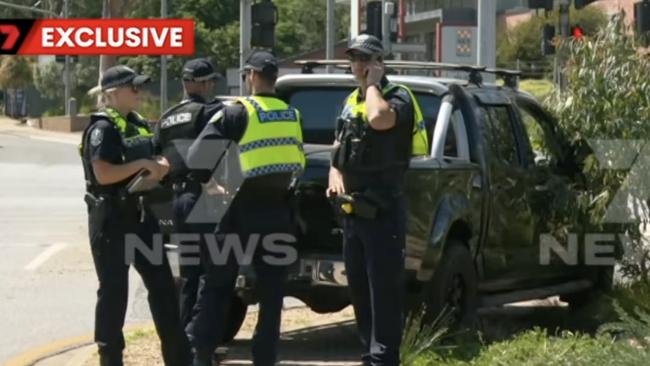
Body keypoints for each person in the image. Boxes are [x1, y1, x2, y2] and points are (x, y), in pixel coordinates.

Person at [186, 50, 305, 366]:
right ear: (274, 78)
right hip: (278, 212)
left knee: (217, 286)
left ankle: (200, 354)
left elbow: (197, 159)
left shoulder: (237, 112)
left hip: (237, 211)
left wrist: (211, 186)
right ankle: (265, 358)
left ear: (251, 76)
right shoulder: (292, 114)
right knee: (272, 294)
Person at [326, 34, 429, 366]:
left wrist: (373, 84)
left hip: (384, 210)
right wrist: (334, 171)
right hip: (353, 212)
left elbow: (379, 120)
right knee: (359, 292)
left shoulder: (397, 97)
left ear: (379, 62)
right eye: (354, 58)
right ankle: (369, 357)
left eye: (365, 59)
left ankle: (385, 359)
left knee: (383, 294)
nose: (357, 65)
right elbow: (339, 141)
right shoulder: (350, 99)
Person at [80, 65, 192, 366]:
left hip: (143, 218)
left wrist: (161, 165)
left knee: (164, 289)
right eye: (134, 88)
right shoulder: (102, 128)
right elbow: (102, 173)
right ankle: (110, 360)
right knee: (114, 294)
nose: (139, 93)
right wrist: (143, 164)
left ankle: (180, 359)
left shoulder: (139, 124)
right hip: (112, 220)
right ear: (113, 93)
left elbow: (159, 154)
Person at [154, 58, 224, 328]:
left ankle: (185, 339)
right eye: (209, 81)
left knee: (189, 273)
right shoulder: (210, 112)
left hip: (178, 199)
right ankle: (201, 340)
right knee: (212, 273)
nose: (210, 86)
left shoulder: (167, 117)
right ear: (201, 83)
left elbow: (157, 155)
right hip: (206, 197)